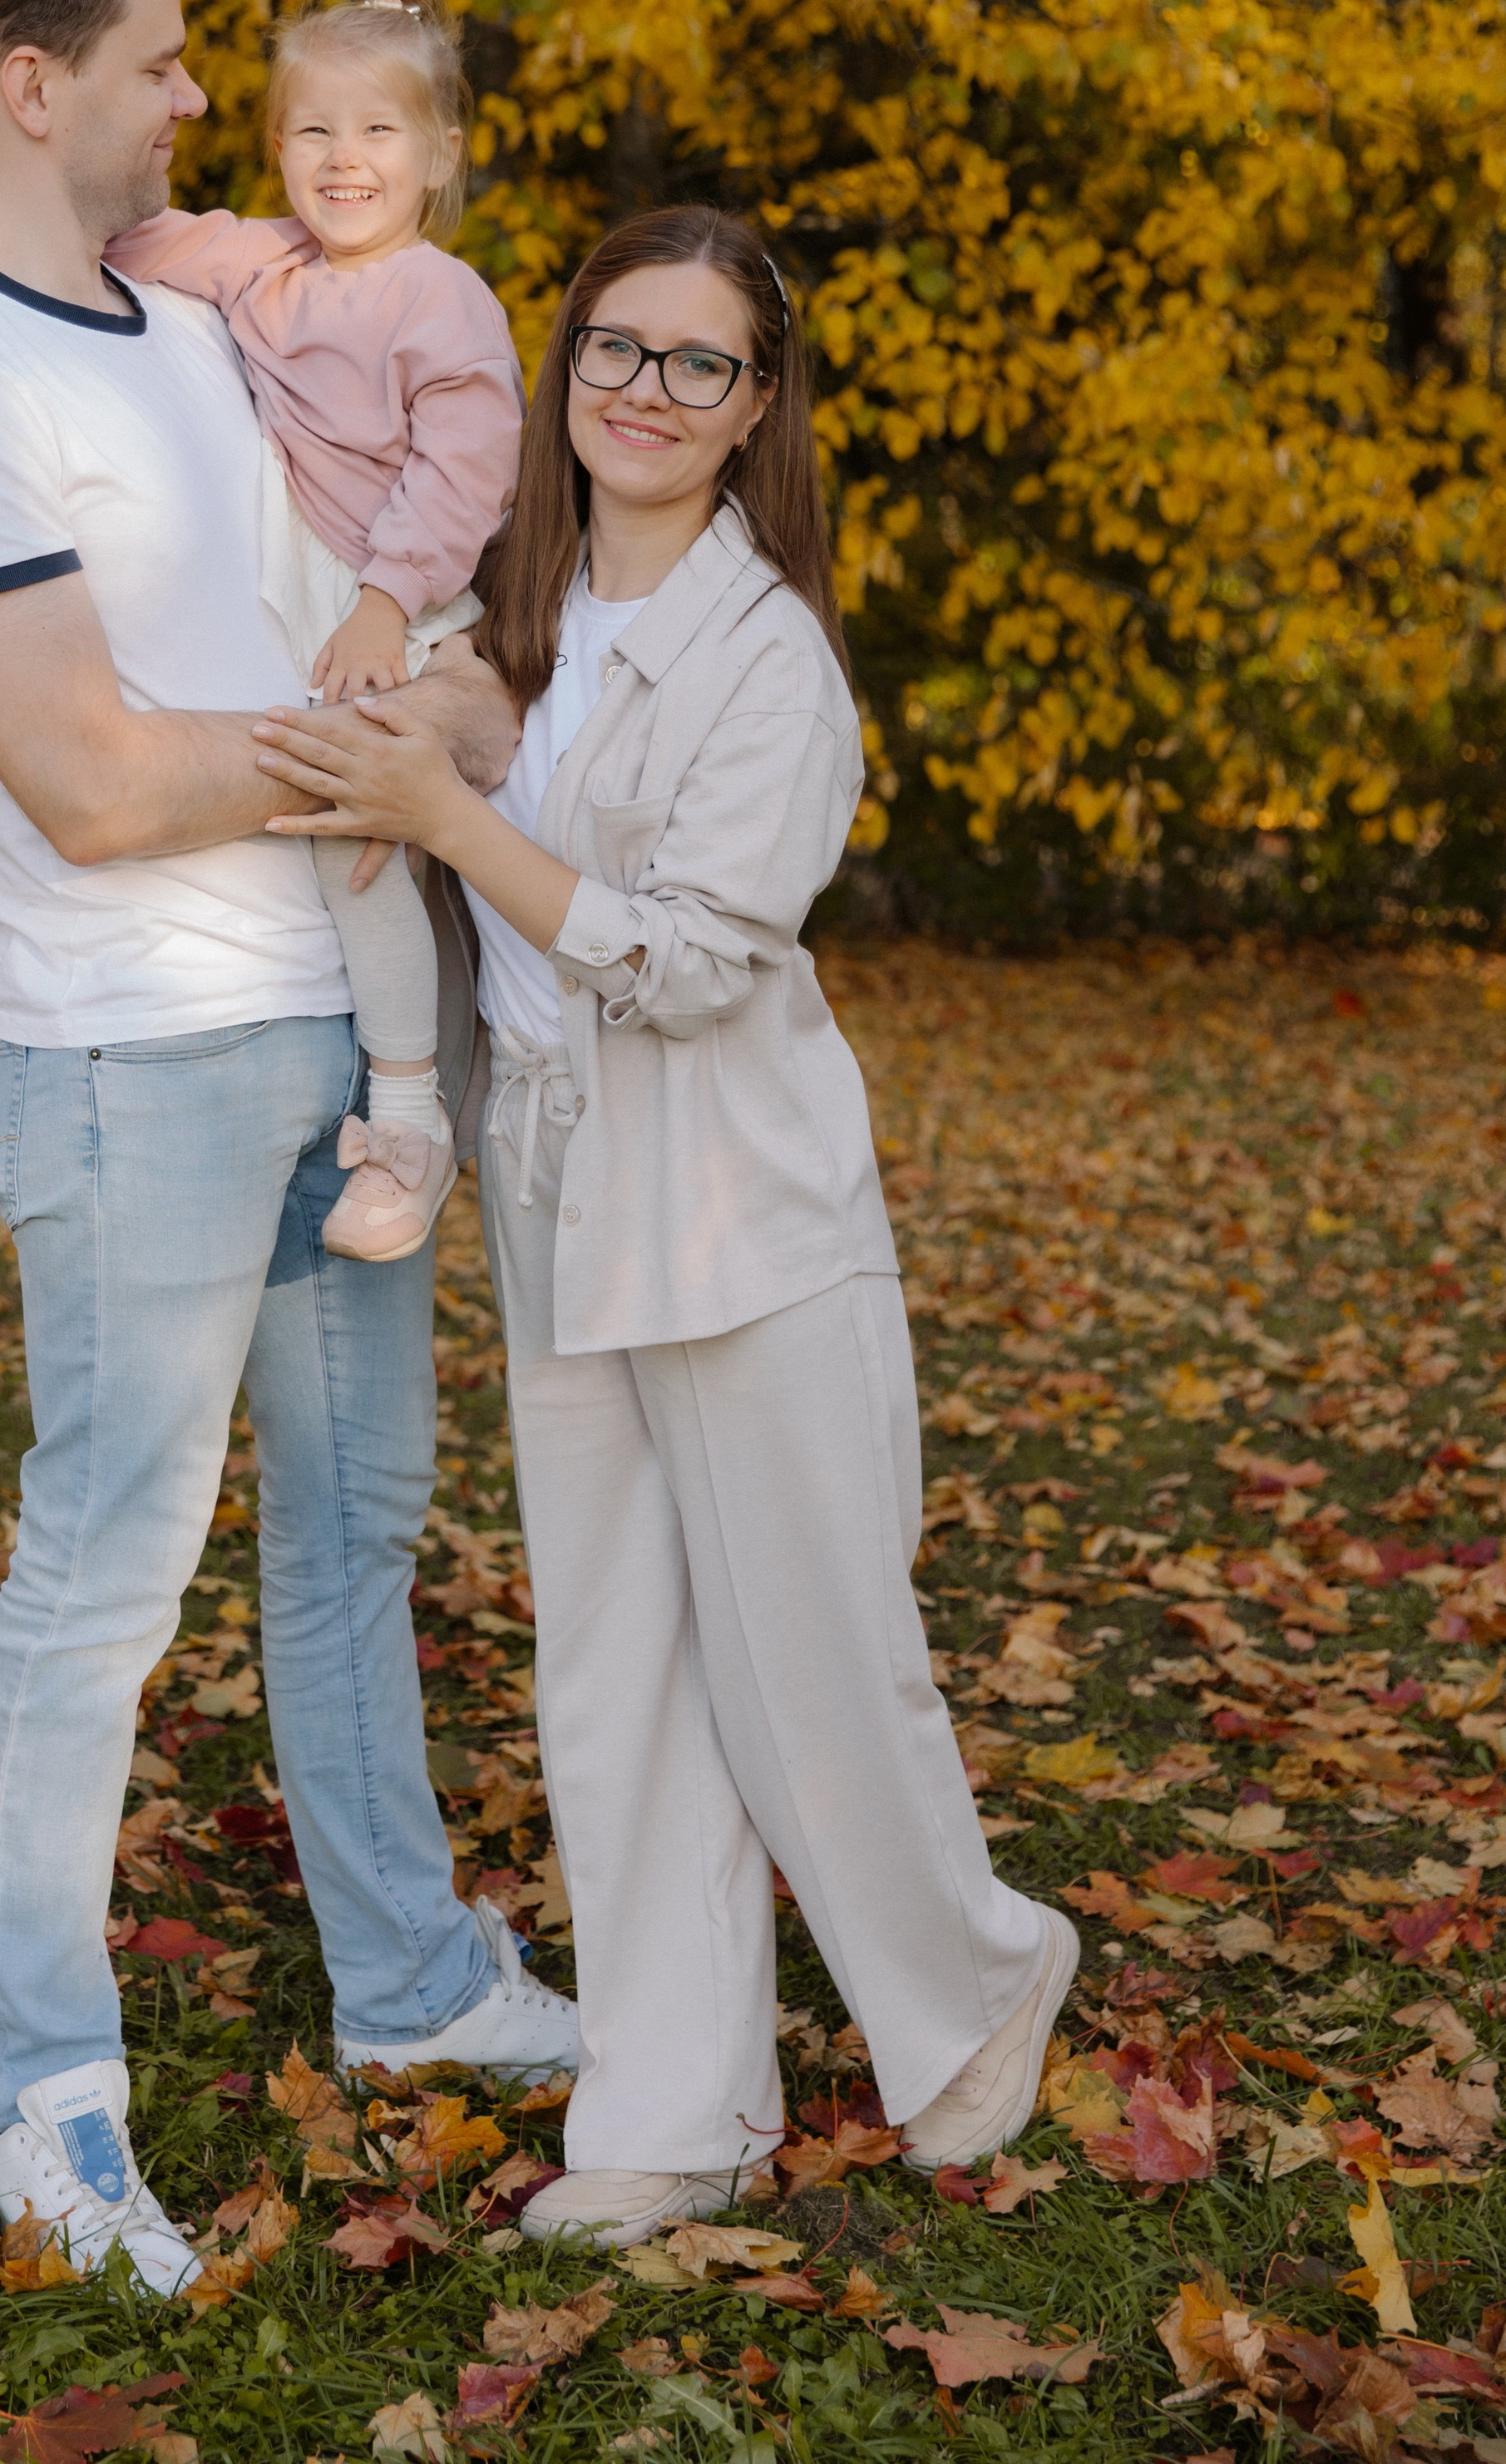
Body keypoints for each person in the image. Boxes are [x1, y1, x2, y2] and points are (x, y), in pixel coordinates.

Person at [0, 0, 576, 2299]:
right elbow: (95, 784)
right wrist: (380, 756)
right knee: (99, 1595)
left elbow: (392, 610)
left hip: (332, 1035)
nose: (201, 107)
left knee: (354, 1535)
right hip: (133, 1070)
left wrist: (433, 732)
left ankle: (409, 1980)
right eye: (164, 65)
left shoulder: (175, 310)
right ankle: (43, 2096)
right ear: (33, 85)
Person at [253, 205, 1078, 2252]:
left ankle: (972, 1983)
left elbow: (695, 962)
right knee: (615, 1667)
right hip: (557, 1190)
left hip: (740, 1200)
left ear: (755, 409)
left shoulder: (765, 657)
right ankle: (667, 2098)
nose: (643, 389)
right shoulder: (522, 620)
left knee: (808, 1659)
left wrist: (457, 822)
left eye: (696, 363)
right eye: (614, 347)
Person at [0, 0, 525, 1265]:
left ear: (442, 152)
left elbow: (466, 475)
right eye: (312, 131)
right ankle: (417, 1090)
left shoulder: (442, 298)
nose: (343, 160)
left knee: (364, 861)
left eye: (380, 133)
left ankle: (409, 1117)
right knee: (361, 857)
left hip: (395, 597)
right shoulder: (258, 261)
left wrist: (382, 607)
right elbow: (98, 228)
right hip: (309, 598)